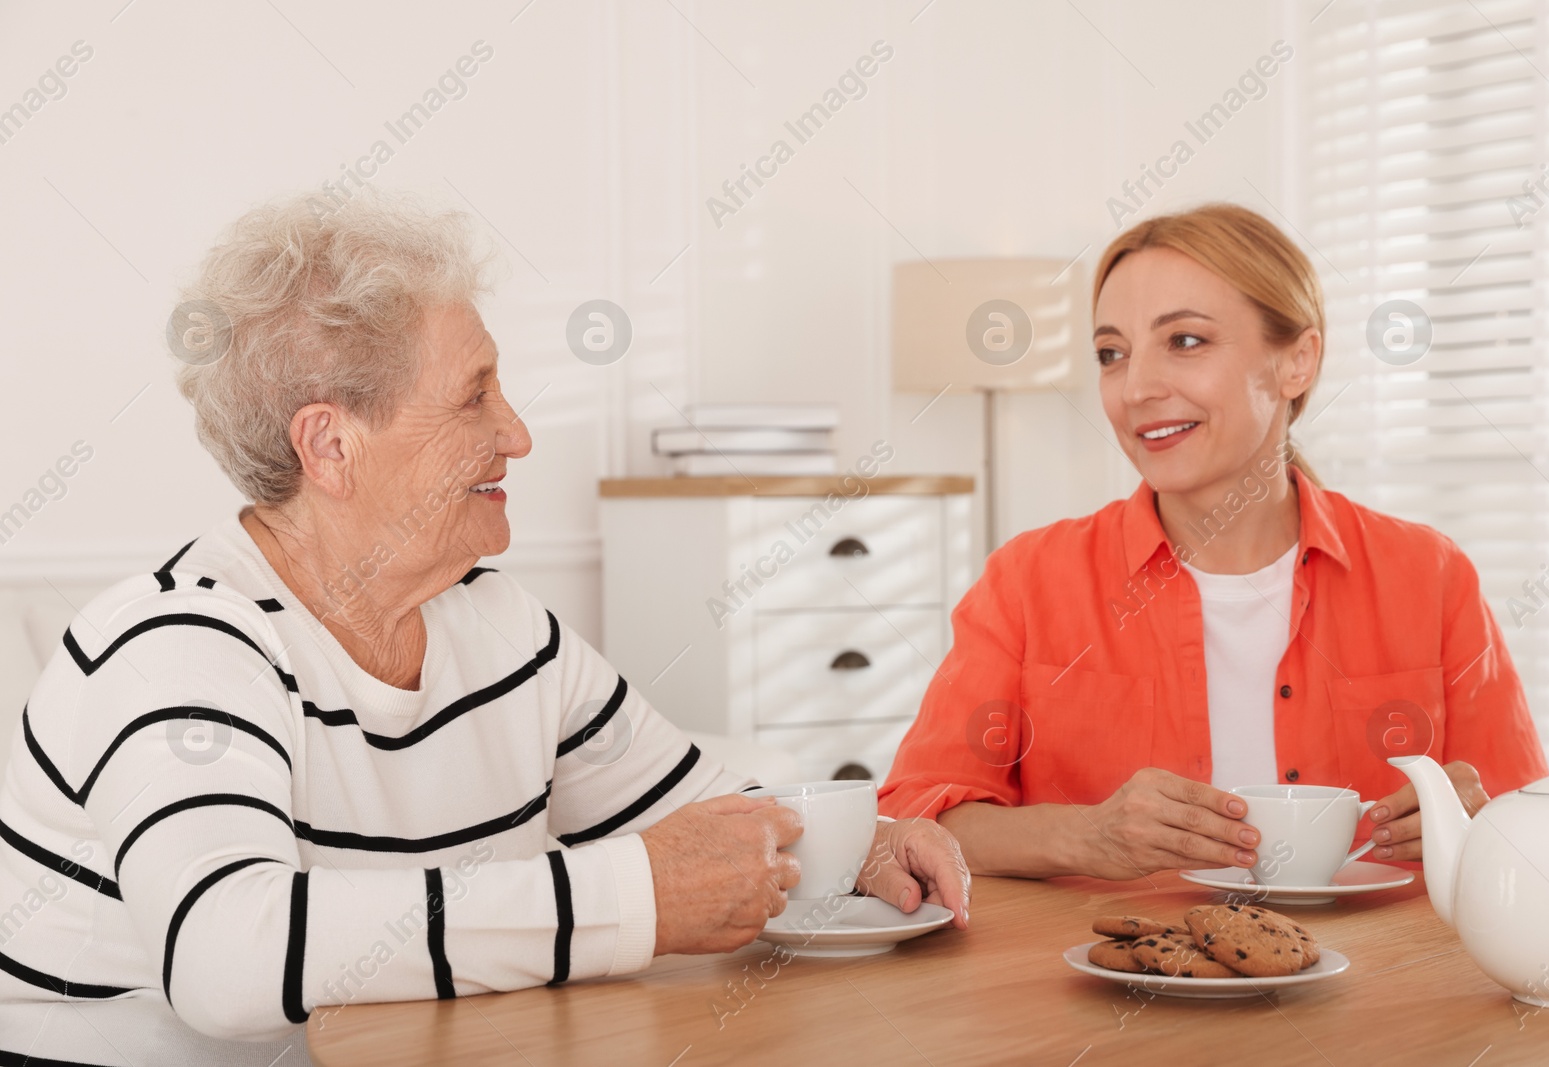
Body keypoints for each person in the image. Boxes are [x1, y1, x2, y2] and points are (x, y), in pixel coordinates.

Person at [0, 192, 969, 1066]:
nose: (517, 432)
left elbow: (709, 819)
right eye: (474, 394)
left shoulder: (496, 623)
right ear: (331, 444)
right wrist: (632, 897)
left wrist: (859, 846)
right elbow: (225, 957)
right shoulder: (175, 640)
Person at [877, 202, 1547, 881]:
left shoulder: (1429, 576)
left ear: (1297, 362)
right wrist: (1088, 836)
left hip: (1379, 984)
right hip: (1110, 982)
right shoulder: (1027, 580)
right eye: (1112, 354)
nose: (1136, 387)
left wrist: (1481, 817)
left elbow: (1534, 828)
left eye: (1186, 341)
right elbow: (916, 821)